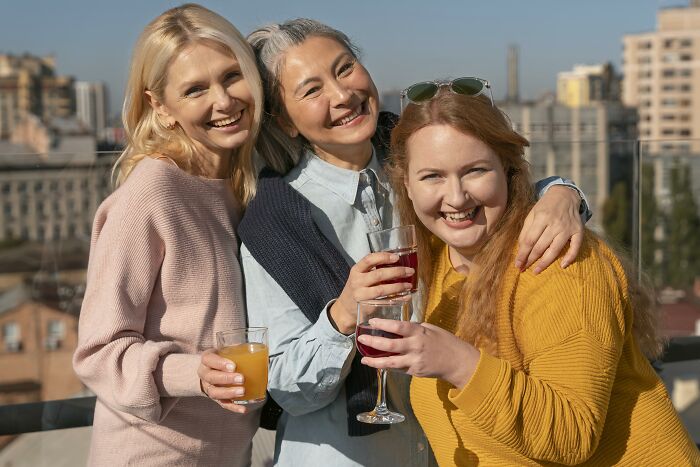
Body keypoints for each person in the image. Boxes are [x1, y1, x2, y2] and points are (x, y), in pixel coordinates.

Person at [199, 18, 593, 467]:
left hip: (451, 444)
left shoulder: (418, 165)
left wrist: (562, 194)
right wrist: (344, 313)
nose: (342, 94)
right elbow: (287, 389)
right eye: (311, 90)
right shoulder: (274, 223)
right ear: (285, 121)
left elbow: (494, 189)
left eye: (345, 68)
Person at [359, 84, 700, 465]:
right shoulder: (439, 257)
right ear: (406, 184)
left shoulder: (559, 261)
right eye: (432, 177)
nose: (455, 197)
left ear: (508, 170)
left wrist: (457, 362)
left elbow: (571, 436)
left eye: (475, 171)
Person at [71, 4, 284, 466]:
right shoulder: (149, 195)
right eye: (195, 90)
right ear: (161, 108)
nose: (224, 101)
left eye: (232, 76)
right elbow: (98, 351)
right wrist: (194, 373)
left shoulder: (247, 184)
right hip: (151, 456)